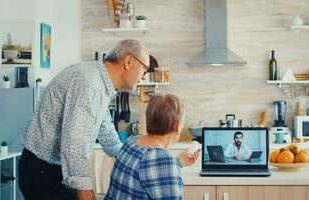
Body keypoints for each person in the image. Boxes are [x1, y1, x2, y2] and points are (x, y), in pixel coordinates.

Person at [19, 39, 154, 200]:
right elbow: (74, 146)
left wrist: (133, 160)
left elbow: (106, 132)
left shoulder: (100, 82)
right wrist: (87, 195)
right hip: (42, 172)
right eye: (144, 69)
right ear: (128, 61)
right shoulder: (90, 84)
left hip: (52, 170)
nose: (144, 76)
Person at [105, 94, 201, 200]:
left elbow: (144, 172)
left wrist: (177, 163)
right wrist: (171, 164)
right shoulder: (162, 161)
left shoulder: (132, 141)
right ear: (177, 126)